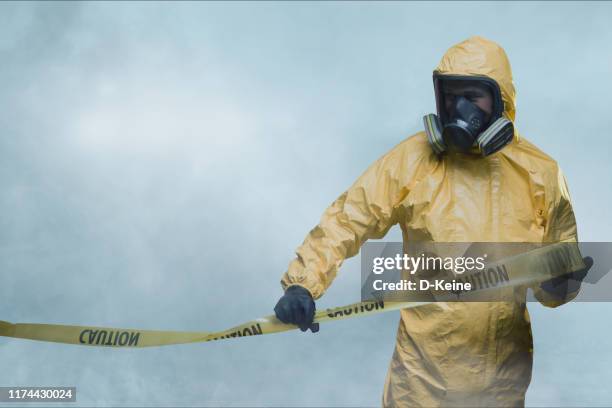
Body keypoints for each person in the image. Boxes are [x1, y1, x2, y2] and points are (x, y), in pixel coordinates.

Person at [274, 36, 591, 407]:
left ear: (501, 100)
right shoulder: (413, 162)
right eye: (451, 96)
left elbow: (555, 276)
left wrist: (561, 283)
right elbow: (348, 219)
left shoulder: (539, 174)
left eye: (473, 96)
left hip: (502, 382)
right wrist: (303, 284)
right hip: (421, 383)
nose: (459, 108)